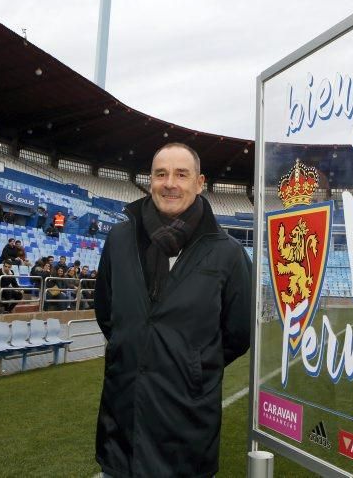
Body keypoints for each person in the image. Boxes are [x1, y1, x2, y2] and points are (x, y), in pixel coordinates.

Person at [94, 143, 251, 478]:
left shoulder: (229, 253)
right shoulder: (119, 238)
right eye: (161, 173)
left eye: (182, 174)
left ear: (200, 182)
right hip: (122, 424)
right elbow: (107, 312)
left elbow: (237, 334)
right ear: (149, 180)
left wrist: (191, 362)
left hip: (187, 429)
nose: (170, 183)